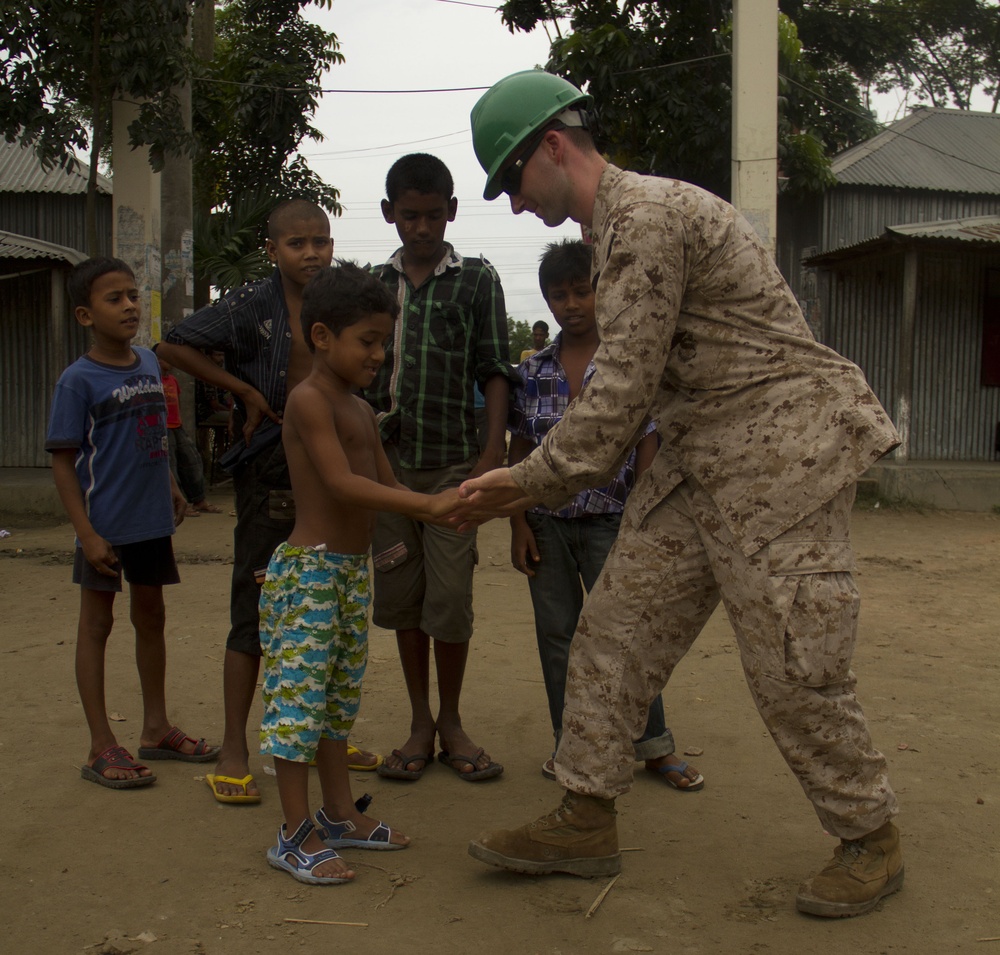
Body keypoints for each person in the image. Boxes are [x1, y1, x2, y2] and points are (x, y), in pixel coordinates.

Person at [458, 70, 904, 918]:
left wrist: (515, 483)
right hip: (700, 458)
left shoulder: (649, 219)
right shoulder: (618, 230)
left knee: (792, 663)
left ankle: (870, 837)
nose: (515, 204)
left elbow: (618, 400)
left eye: (513, 179)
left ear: (553, 146)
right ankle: (585, 813)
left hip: (780, 459)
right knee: (615, 627)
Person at [156, 200, 379, 805]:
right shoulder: (253, 304)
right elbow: (173, 344)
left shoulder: (339, 300)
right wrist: (244, 390)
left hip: (330, 469)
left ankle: (324, 739)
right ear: (273, 249)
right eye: (297, 243)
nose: (311, 253)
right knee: (254, 604)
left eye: (321, 241)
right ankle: (236, 746)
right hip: (270, 467)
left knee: (330, 615)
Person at [260, 262, 459, 885]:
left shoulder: (363, 410)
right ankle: (293, 833)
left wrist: (457, 501)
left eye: (383, 342)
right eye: (367, 342)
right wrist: (425, 506)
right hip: (310, 575)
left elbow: (389, 485)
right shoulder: (309, 400)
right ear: (322, 337)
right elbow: (345, 485)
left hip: (347, 577)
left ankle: (340, 813)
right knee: (298, 705)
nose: (379, 354)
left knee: (335, 703)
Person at [511, 239, 703, 792]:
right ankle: (568, 747)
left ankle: (653, 748)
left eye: (582, 291)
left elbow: (647, 442)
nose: (571, 304)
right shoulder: (533, 371)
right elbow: (521, 450)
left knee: (625, 634)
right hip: (547, 523)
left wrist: (642, 522)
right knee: (557, 637)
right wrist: (519, 522)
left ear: (602, 291)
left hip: (611, 519)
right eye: (559, 295)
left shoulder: (625, 364)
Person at [365, 153, 515, 781]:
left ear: (452, 212)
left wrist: (489, 458)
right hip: (389, 471)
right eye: (409, 216)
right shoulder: (373, 286)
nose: (422, 228)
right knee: (404, 598)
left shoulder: (477, 281)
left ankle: (451, 720)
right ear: (389, 215)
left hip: (456, 467)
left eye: (433, 215)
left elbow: (495, 369)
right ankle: (419, 722)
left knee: (450, 601)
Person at [46, 257, 219, 790]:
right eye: (113, 298)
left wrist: (168, 480)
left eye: (132, 295)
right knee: (96, 627)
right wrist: (86, 533)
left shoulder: (148, 362)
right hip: (106, 524)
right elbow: (62, 460)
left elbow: (156, 433)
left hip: (150, 521)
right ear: (84, 314)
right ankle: (101, 745)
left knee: (152, 618)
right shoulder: (78, 381)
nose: (129, 306)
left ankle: (156, 728)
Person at [157, 355, 223, 517]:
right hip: (163, 427)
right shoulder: (154, 382)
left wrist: (180, 422)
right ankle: (178, 504)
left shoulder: (172, 380)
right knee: (171, 465)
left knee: (192, 460)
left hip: (177, 425)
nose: (170, 362)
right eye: (166, 359)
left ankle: (199, 500)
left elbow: (177, 403)